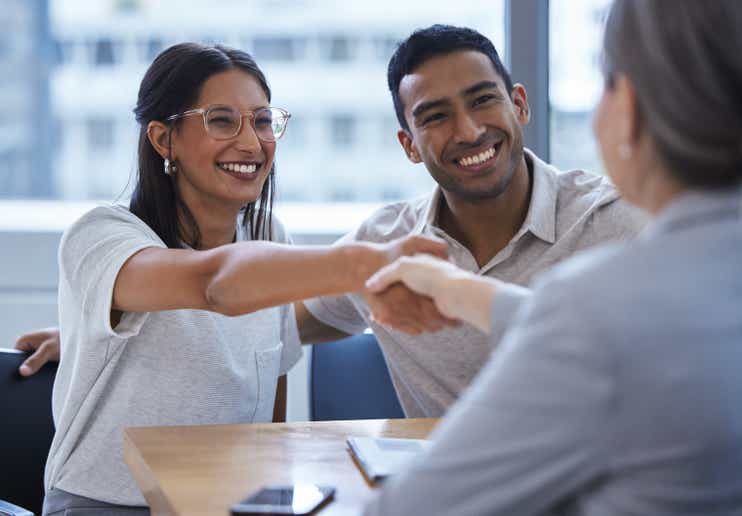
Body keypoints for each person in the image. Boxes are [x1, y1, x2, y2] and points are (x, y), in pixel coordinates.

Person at [16, 25, 647, 418]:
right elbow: (229, 297)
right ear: (408, 144)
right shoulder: (385, 244)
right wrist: (105, 325)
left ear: (519, 106)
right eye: (434, 117)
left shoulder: (622, 225)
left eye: (483, 102)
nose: (468, 131)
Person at [363, 1, 742, 514]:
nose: (469, 130)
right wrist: (454, 288)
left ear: (627, 106)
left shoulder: (594, 299)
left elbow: (407, 509)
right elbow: (627, 342)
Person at [40, 42, 444, 515]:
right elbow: (211, 285)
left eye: (262, 120)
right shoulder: (102, 236)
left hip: (226, 504)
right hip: (107, 505)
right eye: (222, 120)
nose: (252, 143)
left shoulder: (270, 237)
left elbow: (268, 404)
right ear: (162, 138)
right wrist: (369, 262)